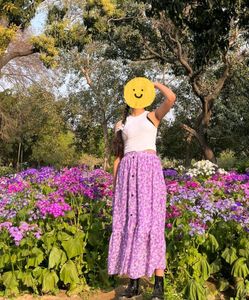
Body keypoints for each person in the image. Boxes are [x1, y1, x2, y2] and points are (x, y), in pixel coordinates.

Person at [108, 81, 176, 300]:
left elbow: (171, 98)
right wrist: (115, 184)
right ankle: (133, 284)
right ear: (128, 95)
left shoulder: (152, 117)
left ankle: (159, 286)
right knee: (131, 225)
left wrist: (154, 84)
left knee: (151, 225)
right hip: (128, 177)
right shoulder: (121, 123)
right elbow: (118, 157)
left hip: (149, 175)